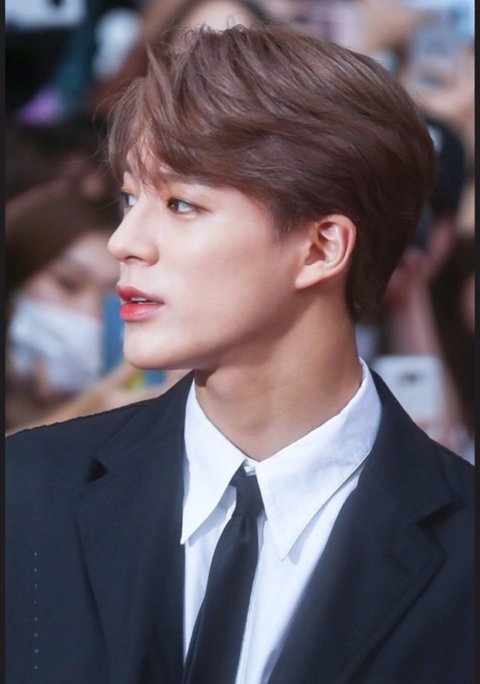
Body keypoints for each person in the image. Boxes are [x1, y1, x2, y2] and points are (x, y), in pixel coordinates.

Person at [6, 24, 473, 684]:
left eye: (181, 204)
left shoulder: (464, 553)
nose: (125, 241)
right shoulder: (26, 492)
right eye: (131, 198)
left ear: (321, 247)